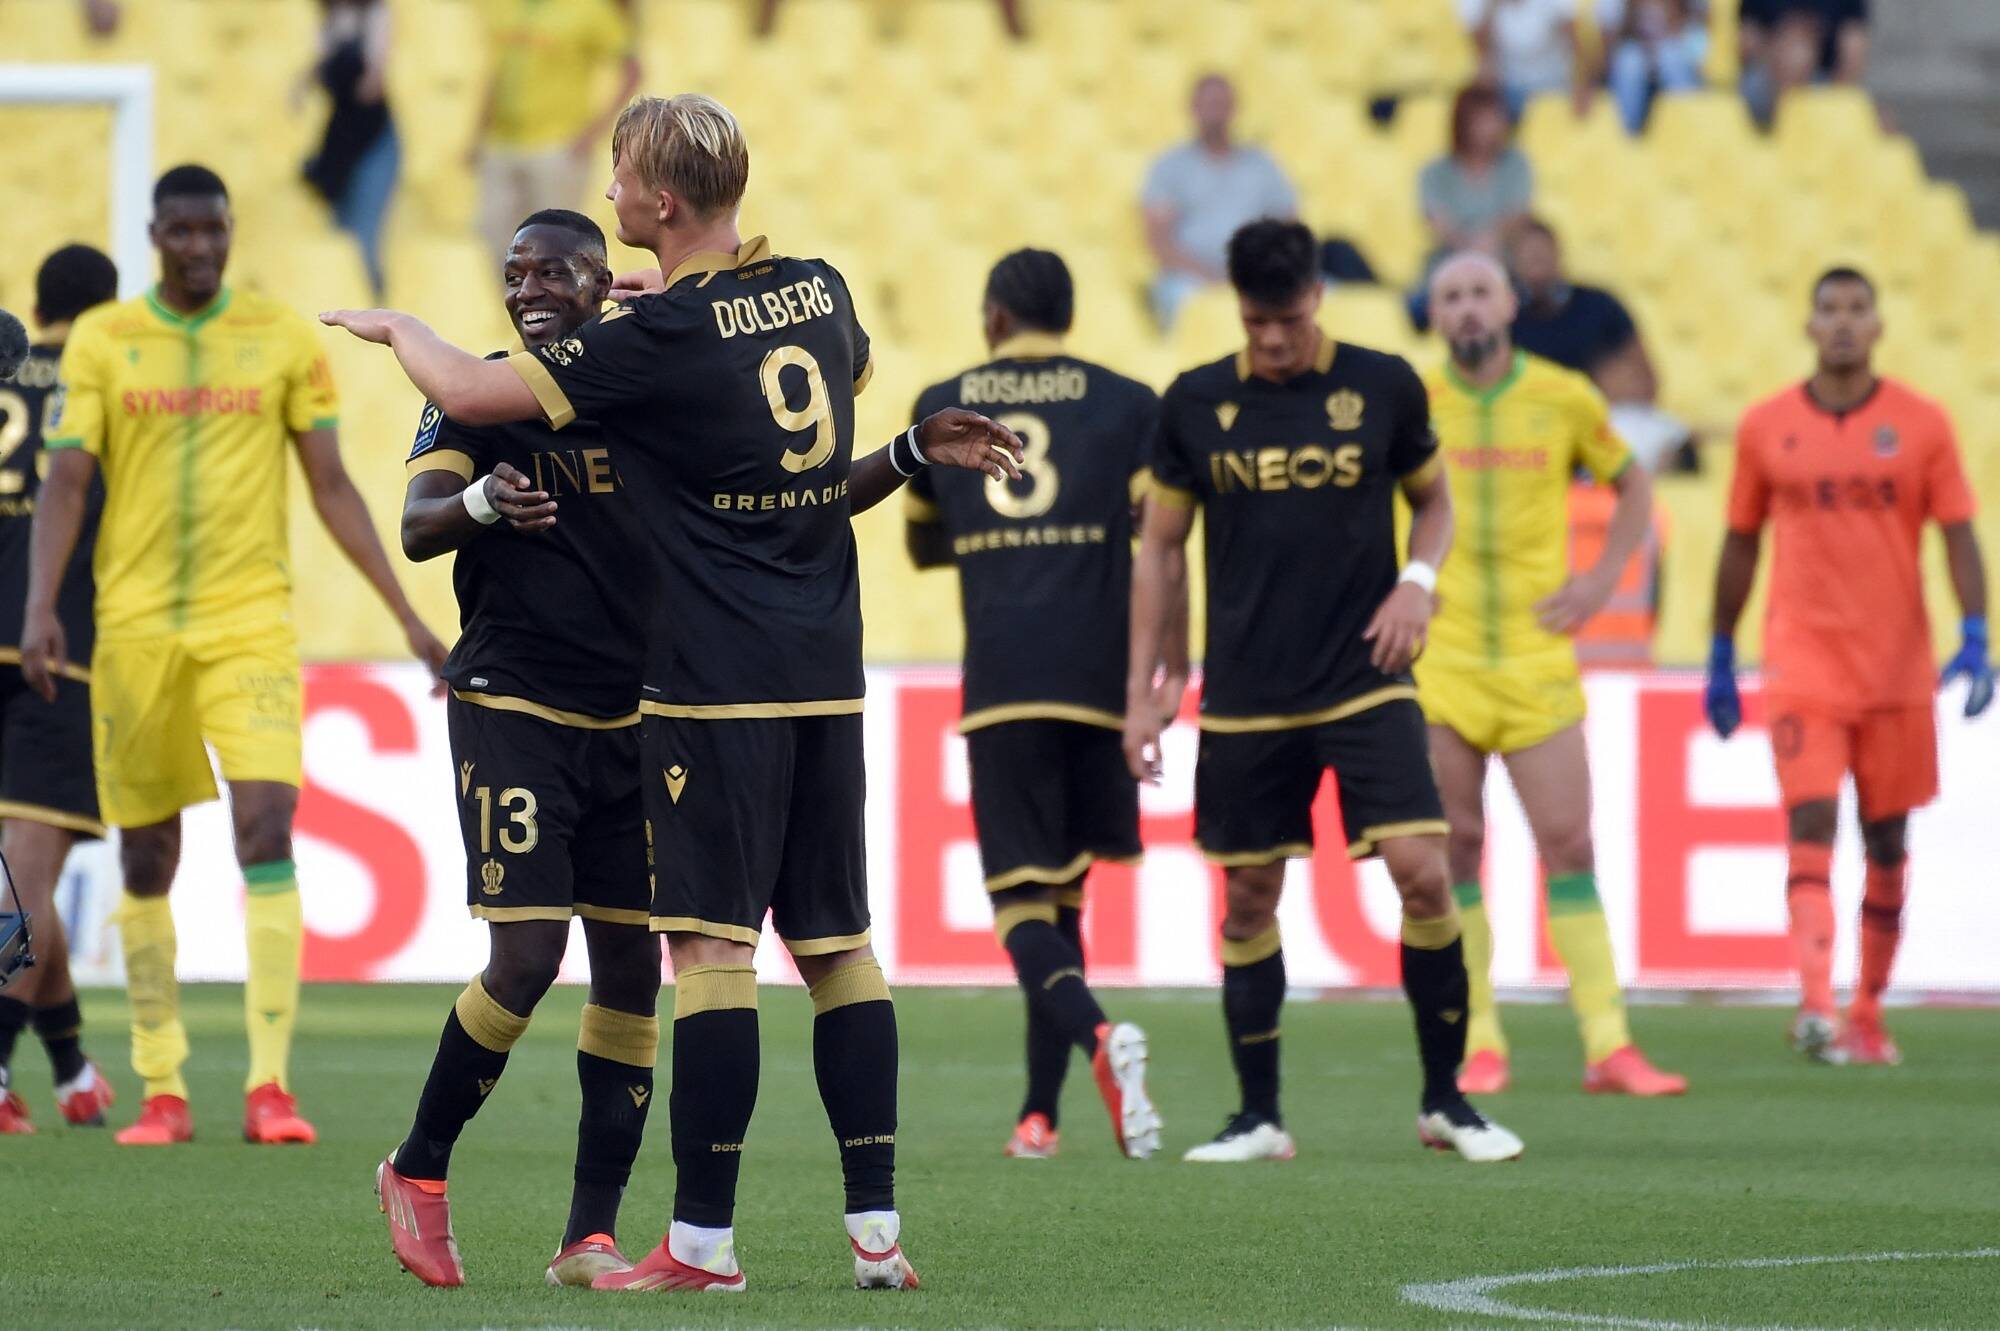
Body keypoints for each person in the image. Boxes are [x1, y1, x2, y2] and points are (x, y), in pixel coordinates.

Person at [322, 94, 1024, 1292]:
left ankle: (688, 1240)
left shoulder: (644, 346)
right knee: (836, 946)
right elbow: (819, 390)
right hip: (793, 669)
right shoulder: (814, 287)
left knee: (699, 953)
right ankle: (872, 1235)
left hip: (702, 681)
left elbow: (490, 392)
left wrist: (398, 327)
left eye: (615, 183)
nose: (604, 195)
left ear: (654, 207)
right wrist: (901, 448)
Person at [23, 164, 449, 1148]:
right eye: (182, 231)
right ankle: (163, 1086)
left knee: (267, 824)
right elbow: (66, 483)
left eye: (215, 229)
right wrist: (44, 605)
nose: (201, 247)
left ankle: (268, 1085)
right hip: (131, 630)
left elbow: (334, 486)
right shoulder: (103, 340)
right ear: (155, 234)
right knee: (146, 853)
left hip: (248, 621)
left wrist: (407, 617)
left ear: (228, 230)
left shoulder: (282, 337)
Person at [1124, 219, 1523, 1165]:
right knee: (1249, 897)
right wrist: (1151, 684)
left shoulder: (1383, 384)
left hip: (1364, 678)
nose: (1271, 339)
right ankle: (1258, 1116)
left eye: (1288, 318)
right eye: (1256, 321)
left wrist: (1416, 585)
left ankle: (1446, 1101)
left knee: (1426, 869)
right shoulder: (1194, 401)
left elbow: (1434, 501)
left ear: (1318, 298)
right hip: (1249, 693)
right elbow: (1160, 548)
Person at [374, 210, 659, 1289]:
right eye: (515, 272)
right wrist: (484, 500)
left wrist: (676, 315)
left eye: (556, 271)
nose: (530, 288)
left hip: (635, 716)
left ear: (601, 282)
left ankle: (589, 1230)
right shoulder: (479, 393)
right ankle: (419, 1164)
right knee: (530, 957)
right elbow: (416, 521)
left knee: (633, 963)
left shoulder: (646, 395)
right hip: (514, 702)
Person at [903, 248, 1168, 1162]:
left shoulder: (942, 398)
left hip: (1008, 674)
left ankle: (1098, 1035)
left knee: (1020, 903)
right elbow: (1160, 539)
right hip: (1100, 683)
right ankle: (1039, 1114)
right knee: (1062, 900)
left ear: (992, 316)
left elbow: (925, 544)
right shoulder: (1132, 402)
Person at [1416, 252, 1687, 1098]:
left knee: (1569, 843)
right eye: (1450, 296)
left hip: (1534, 656)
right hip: (1447, 655)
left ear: (1508, 305)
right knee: (1456, 846)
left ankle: (1607, 1043)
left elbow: (1634, 484)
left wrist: (1603, 578)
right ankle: (1480, 1038)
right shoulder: (1413, 403)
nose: (1466, 309)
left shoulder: (1563, 395)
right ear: (1435, 315)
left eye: (1479, 292)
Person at [1706, 267, 1989, 1066]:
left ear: (1877, 326)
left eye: (1855, 309)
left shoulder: (1921, 424)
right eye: (1828, 308)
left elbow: (1959, 530)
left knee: (1887, 840)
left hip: (1899, 671)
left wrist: (1975, 628)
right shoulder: (1766, 427)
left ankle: (1868, 1009)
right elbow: (1738, 539)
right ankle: (1816, 1002)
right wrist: (1722, 648)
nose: (1841, 322)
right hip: (1804, 664)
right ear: (1808, 325)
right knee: (1809, 820)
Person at [0, 245, 120, 1136]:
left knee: (21, 877)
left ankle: (73, 1065)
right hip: (55, 650)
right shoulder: (101, 385)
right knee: (26, 875)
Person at [1507, 218, 1691, 472]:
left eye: (1542, 257)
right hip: (1534, 427)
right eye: (1529, 260)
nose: (1537, 269)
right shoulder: (1505, 318)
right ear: (1514, 265)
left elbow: (1646, 376)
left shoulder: (1599, 306)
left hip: (1605, 417)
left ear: (1559, 256)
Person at [471, 0, 641, 259]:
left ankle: (555, 298)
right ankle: (516, 298)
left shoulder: (589, 10)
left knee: (555, 241)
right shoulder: (505, 7)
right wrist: (478, 134)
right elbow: (496, 73)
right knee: (495, 237)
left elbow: (631, 71)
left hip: (556, 144)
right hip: (501, 142)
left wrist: (592, 134)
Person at [1141, 74, 1298, 331]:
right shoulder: (1170, 167)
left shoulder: (1262, 166)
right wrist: (1212, 279)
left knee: (1320, 297)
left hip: (1256, 277)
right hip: (1192, 279)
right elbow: (1160, 242)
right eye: (1209, 104)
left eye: (1221, 104)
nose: (1215, 112)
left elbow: (1287, 228)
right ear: (1193, 108)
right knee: (1182, 299)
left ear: (1234, 109)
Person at [301, 0, 397, 296]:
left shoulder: (375, 15)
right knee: (340, 233)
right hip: (341, 142)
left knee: (363, 235)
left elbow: (373, 85)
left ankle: (375, 304)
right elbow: (320, 68)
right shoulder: (330, 17)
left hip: (372, 139)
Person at [1458, 0, 1601, 118]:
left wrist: (1582, 85)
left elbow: (1576, 46)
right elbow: (1483, 53)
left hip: (1553, 86)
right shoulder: (1485, 5)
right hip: (1508, 88)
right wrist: (1491, 8)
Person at [1739, 0, 1868, 123]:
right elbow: (1746, 36)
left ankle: (1833, 117)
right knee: (1796, 53)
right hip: (1765, 76)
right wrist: (1779, 45)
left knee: (1852, 45)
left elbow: (1854, 34)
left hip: (1822, 80)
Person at [1608, 0, 1712, 133]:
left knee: (1670, 57)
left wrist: (1668, 32)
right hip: (1639, 45)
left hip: (1675, 40)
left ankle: (1688, 126)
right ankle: (1627, 133)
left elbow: (1696, 18)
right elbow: (1622, 28)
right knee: (1629, 62)